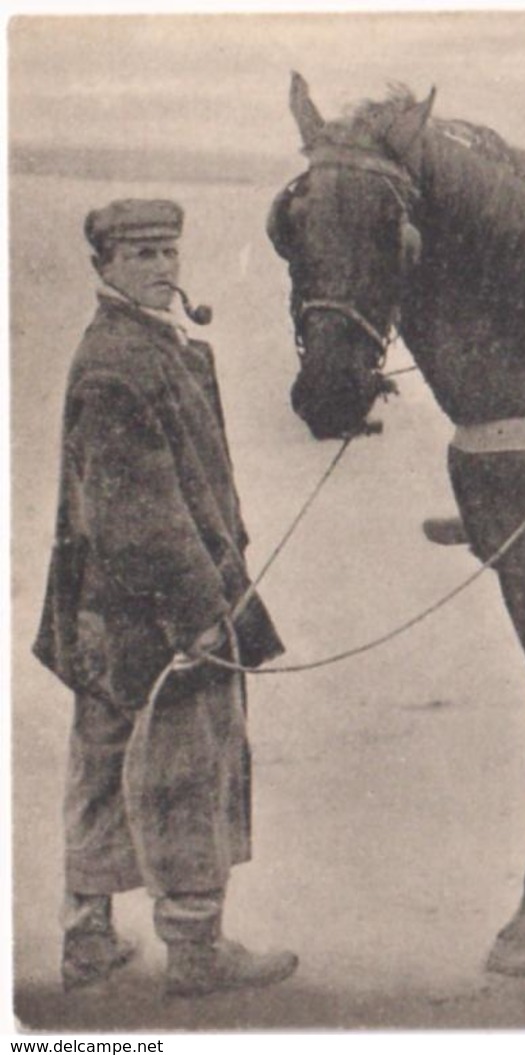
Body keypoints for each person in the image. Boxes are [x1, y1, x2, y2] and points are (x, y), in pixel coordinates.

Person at [33, 199, 298, 997]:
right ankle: (194, 949)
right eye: (140, 253)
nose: (159, 267)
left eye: (168, 251)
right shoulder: (121, 362)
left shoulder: (144, 345)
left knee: (106, 767)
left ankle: (87, 940)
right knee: (187, 768)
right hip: (156, 615)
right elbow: (139, 516)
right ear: (104, 266)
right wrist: (199, 614)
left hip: (102, 618)